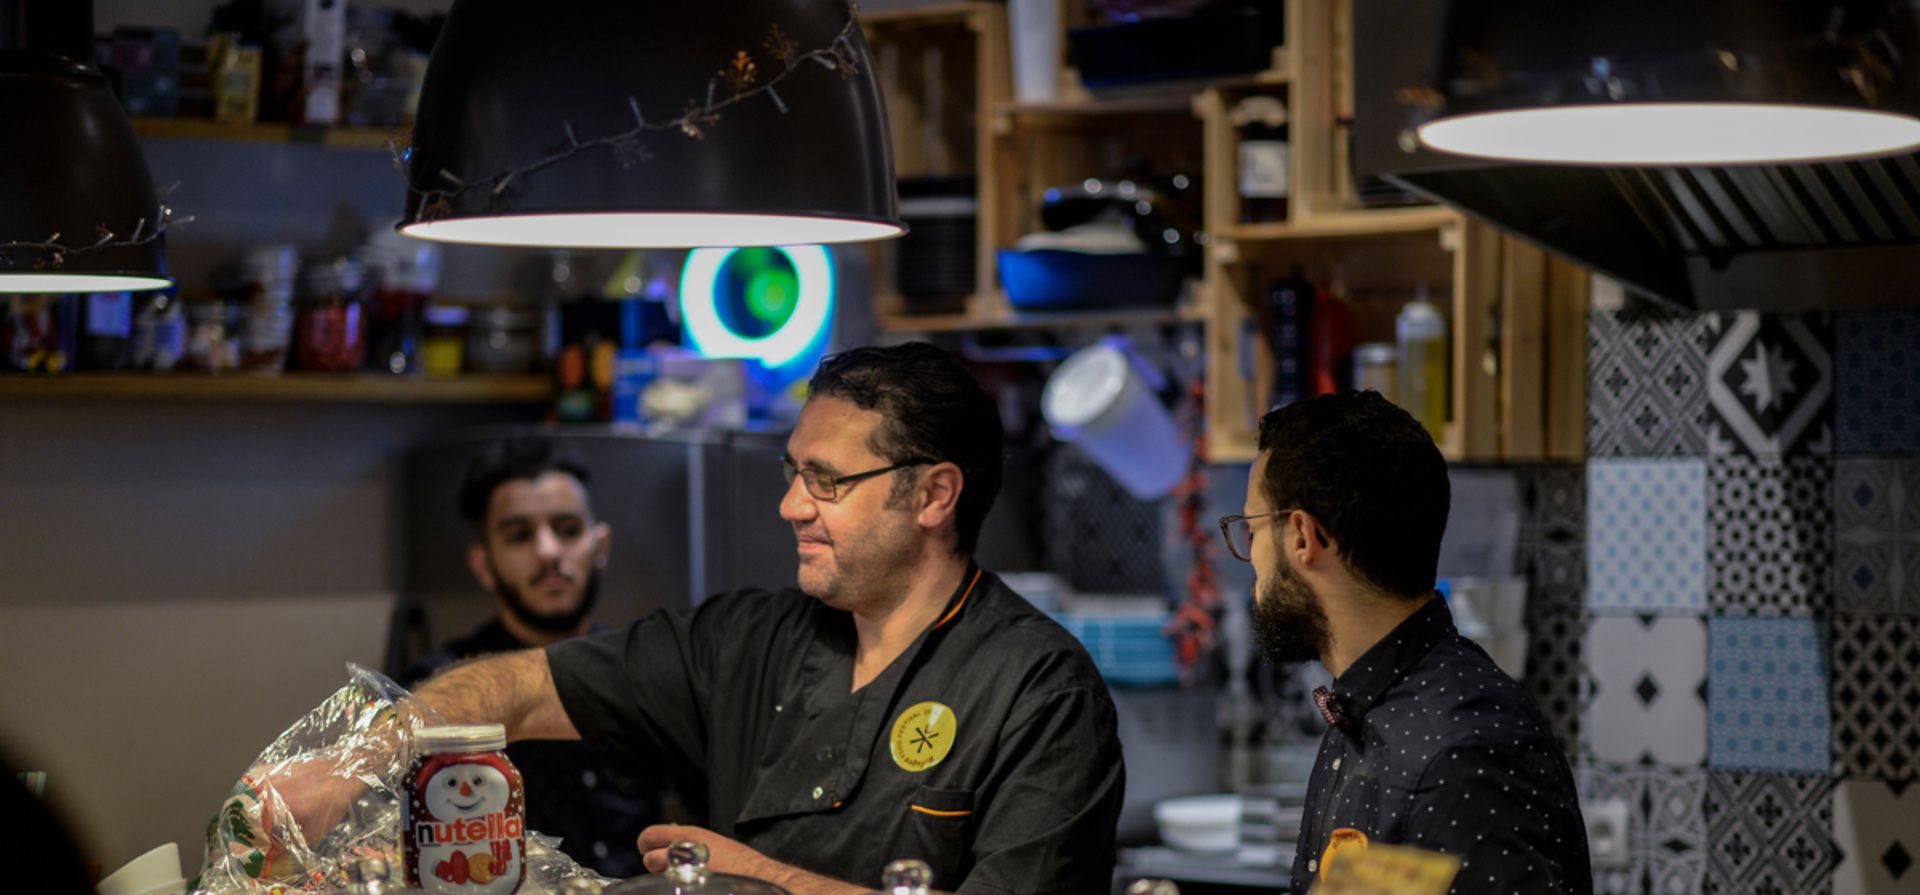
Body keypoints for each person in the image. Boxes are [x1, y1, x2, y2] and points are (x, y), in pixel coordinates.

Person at [406, 342, 1125, 895]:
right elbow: (522, 685)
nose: (792, 506)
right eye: (794, 473)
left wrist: (759, 880)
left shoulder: (1041, 693)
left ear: (934, 495)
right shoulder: (743, 641)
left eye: (829, 481)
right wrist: (333, 770)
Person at [1222, 391, 1591, 894]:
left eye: (1252, 531)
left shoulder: (1463, 752)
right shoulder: (1363, 708)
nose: (1252, 563)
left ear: (1303, 538)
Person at [395, 435, 666, 878]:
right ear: (484, 565)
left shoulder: (646, 670)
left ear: (600, 546)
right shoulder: (437, 689)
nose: (548, 551)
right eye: (520, 535)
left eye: (568, 529)